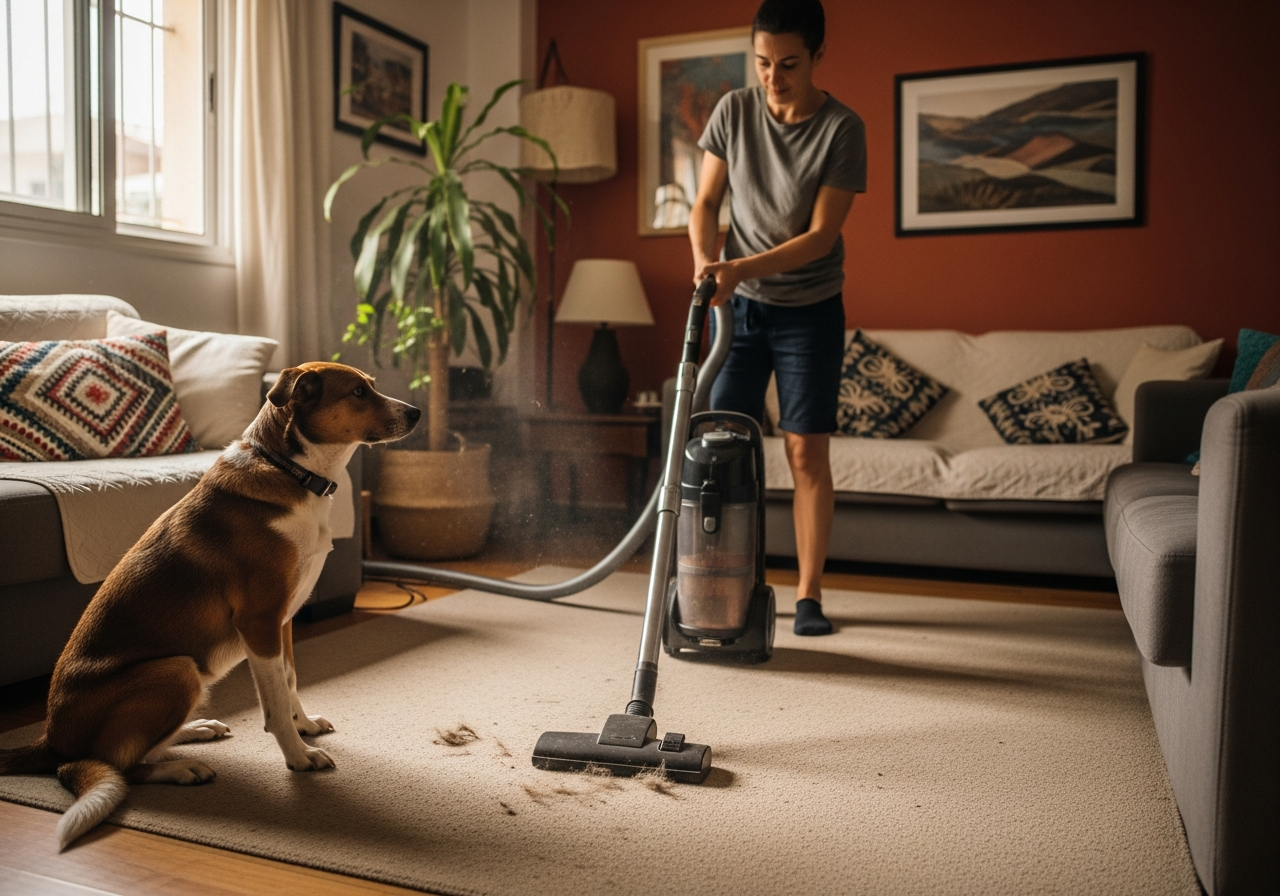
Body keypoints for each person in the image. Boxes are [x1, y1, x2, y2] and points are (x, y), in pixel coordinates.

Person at [688, 0, 865, 636]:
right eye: (761, 62)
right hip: (740, 307)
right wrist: (708, 263)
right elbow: (704, 202)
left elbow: (821, 237)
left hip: (809, 310)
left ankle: (810, 595)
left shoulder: (842, 128)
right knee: (722, 445)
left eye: (788, 63)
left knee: (803, 450)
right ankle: (724, 579)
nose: (772, 77)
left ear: (817, 56)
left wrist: (739, 268)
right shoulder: (734, 110)